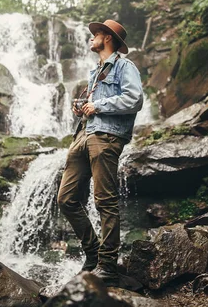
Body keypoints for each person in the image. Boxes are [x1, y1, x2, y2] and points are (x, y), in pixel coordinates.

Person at [57, 19, 143, 286]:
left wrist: (99, 105)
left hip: (106, 136)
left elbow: (135, 99)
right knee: (66, 199)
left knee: (105, 202)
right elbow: (94, 104)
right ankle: (93, 252)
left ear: (107, 38)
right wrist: (82, 107)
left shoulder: (125, 66)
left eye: (95, 34)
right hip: (84, 134)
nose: (90, 38)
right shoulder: (96, 72)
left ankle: (107, 266)